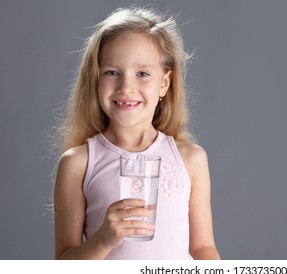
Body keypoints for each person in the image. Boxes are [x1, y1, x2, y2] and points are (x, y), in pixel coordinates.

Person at [54, 7, 220, 260]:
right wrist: (102, 240)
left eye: (142, 73)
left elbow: (203, 248)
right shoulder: (77, 163)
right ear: (95, 80)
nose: (126, 87)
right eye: (112, 72)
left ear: (164, 84)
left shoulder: (191, 160)